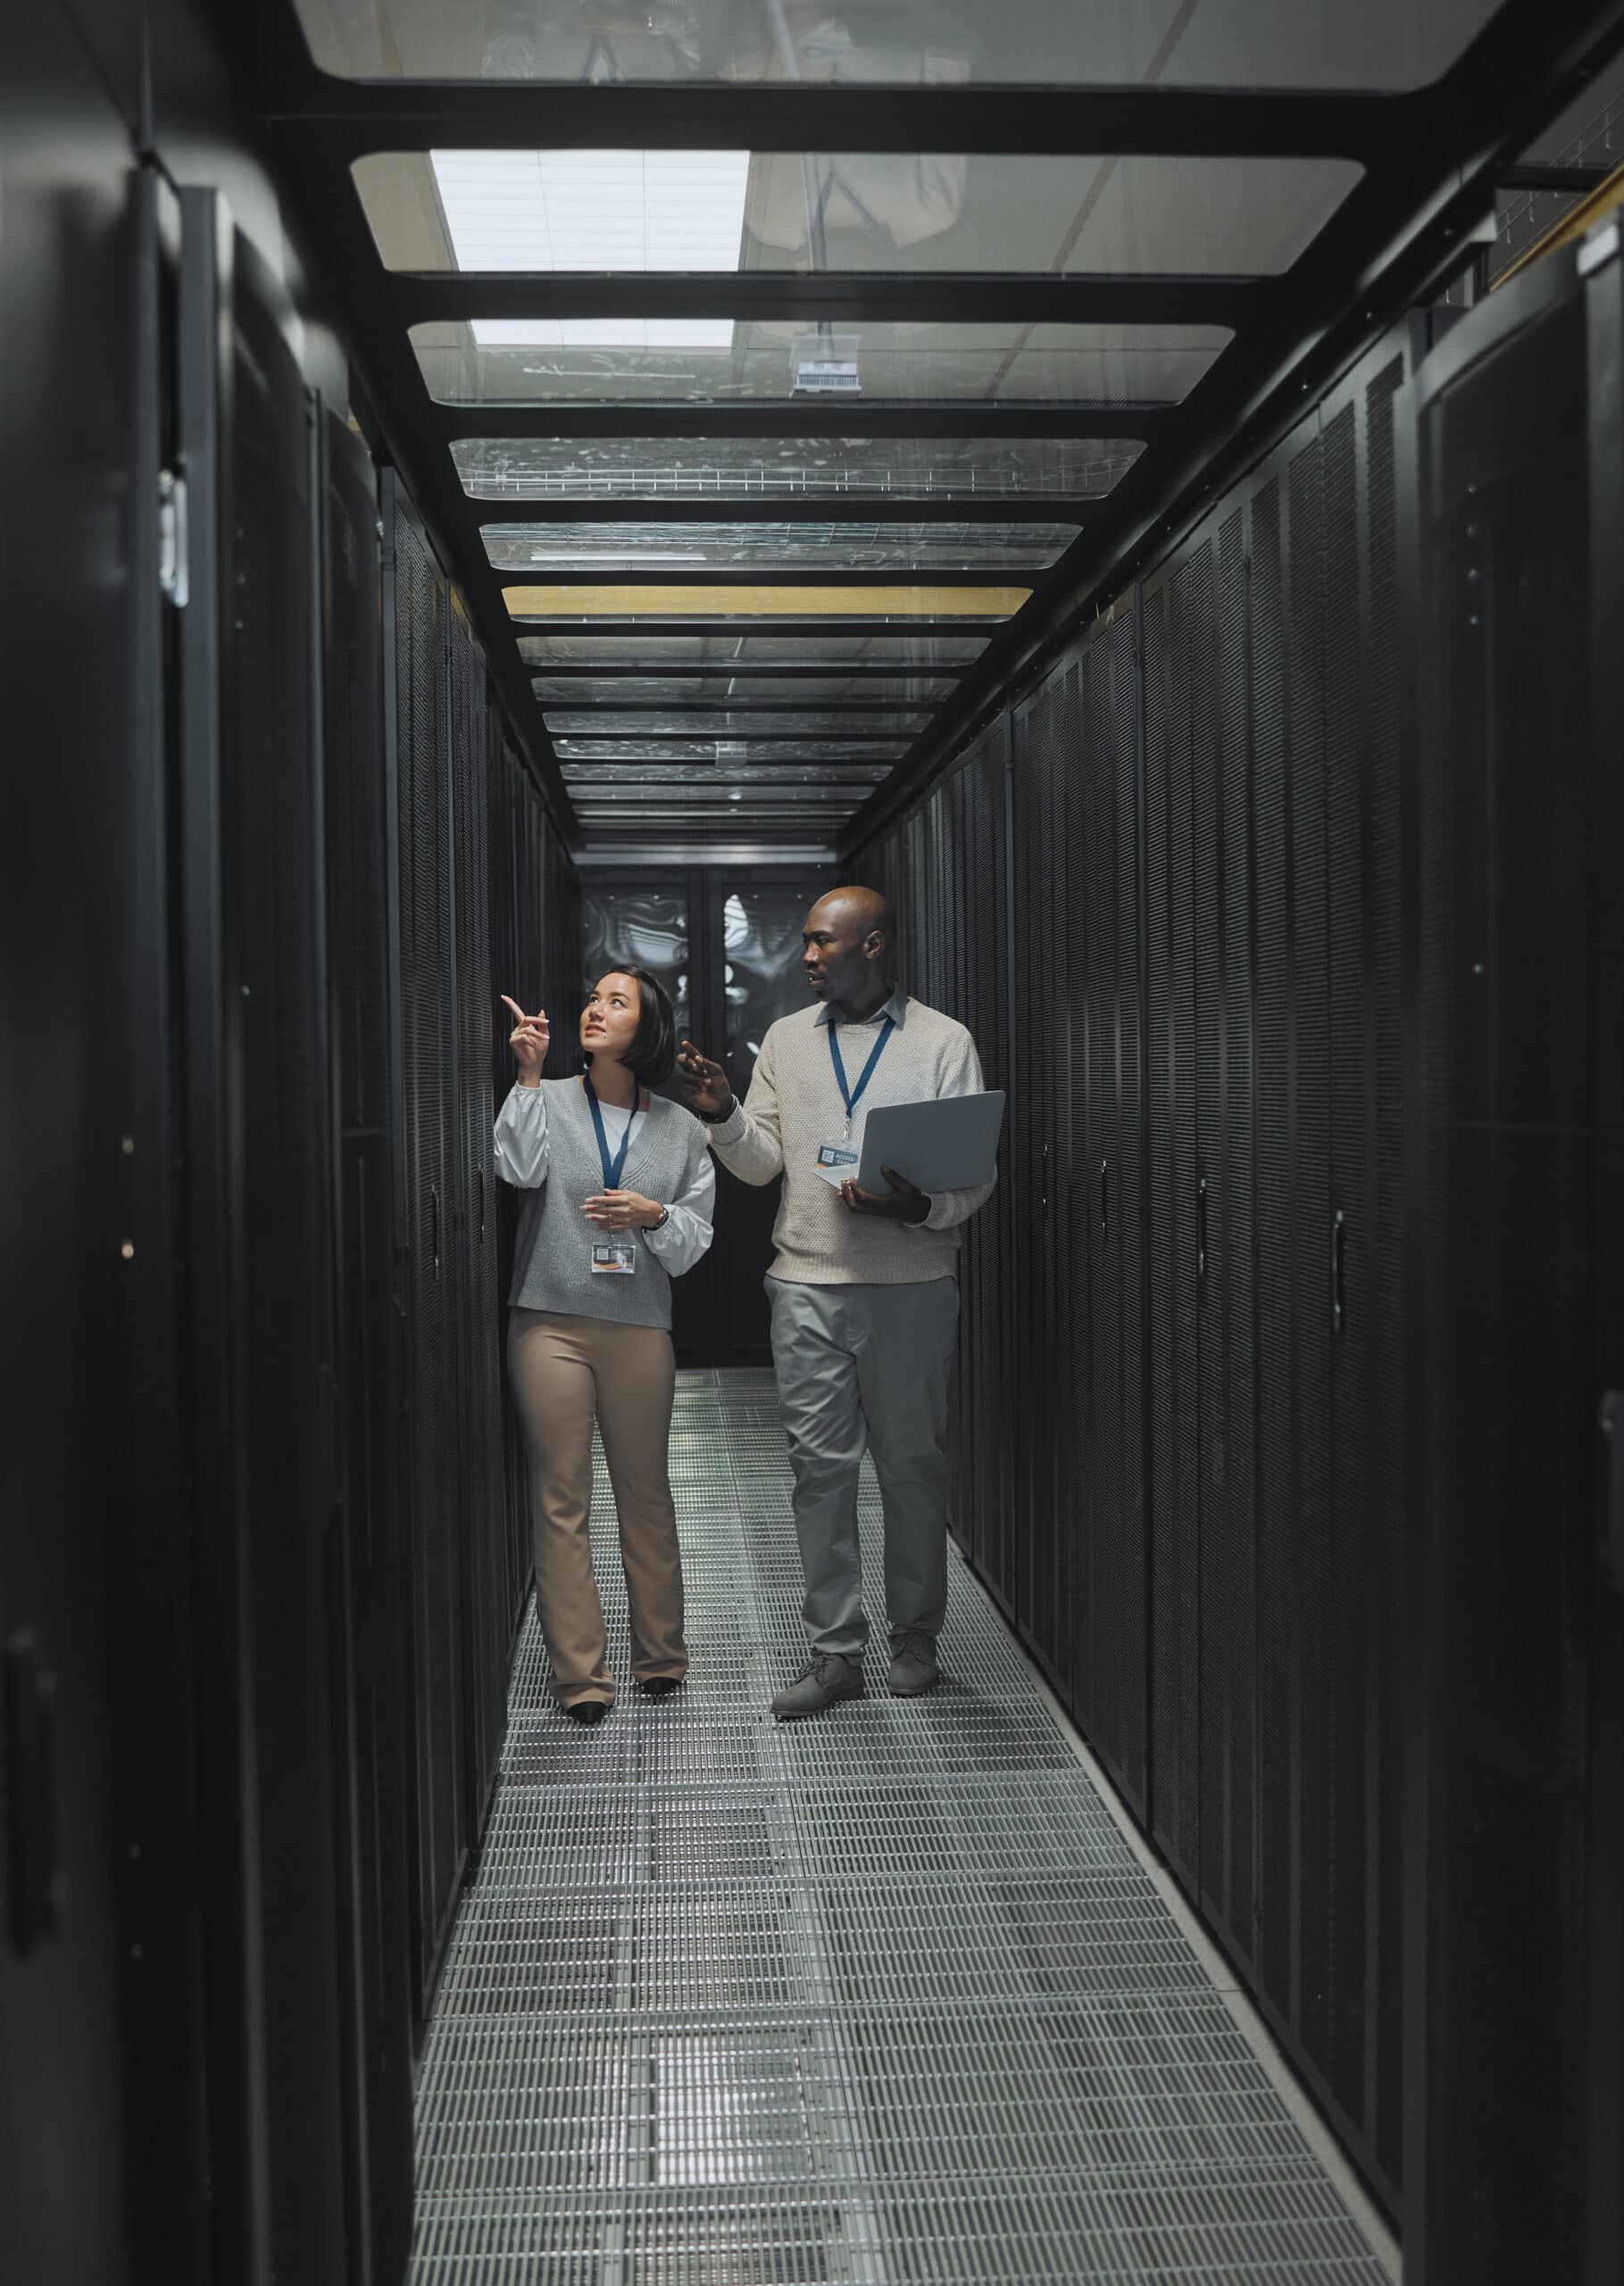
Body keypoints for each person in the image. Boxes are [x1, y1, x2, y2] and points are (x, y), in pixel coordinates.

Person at [677, 887, 994, 1721]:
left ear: (875, 945)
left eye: (822, 943)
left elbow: (973, 1179)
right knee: (818, 1475)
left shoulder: (941, 1042)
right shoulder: (785, 1038)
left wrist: (910, 1209)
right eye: (807, 943)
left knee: (911, 1470)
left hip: (910, 1288)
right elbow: (759, 1166)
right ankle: (835, 1653)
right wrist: (720, 1112)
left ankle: (915, 1639)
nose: (808, 956)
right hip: (807, 1285)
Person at [495, 966, 714, 1725]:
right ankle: (580, 1678)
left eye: (614, 1002)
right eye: (593, 997)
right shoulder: (547, 1098)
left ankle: (660, 1657)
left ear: (645, 1027)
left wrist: (654, 1215)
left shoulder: (683, 1129)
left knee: (645, 1493)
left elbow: (693, 1245)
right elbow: (516, 1170)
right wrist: (526, 1073)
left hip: (638, 1327)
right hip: (548, 1321)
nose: (594, 1009)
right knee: (561, 1498)